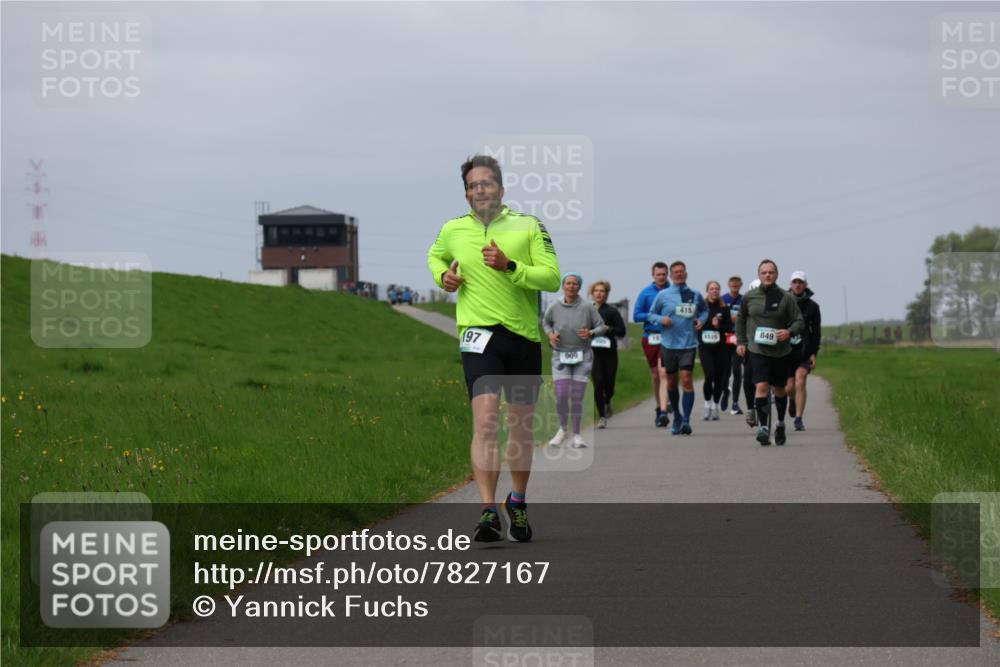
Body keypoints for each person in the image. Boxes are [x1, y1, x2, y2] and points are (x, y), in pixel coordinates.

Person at [427, 154, 560, 543]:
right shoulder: (453, 229)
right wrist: (444, 276)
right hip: (478, 338)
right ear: (466, 193)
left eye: (485, 183)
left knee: (519, 428)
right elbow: (435, 256)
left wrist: (510, 266)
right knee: (485, 420)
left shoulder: (529, 226)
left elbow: (551, 277)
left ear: (501, 189)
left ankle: (516, 502)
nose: (478, 190)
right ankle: (487, 511)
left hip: (521, 337)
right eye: (471, 185)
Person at [735, 260, 804, 446]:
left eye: (771, 272)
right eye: (764, 272)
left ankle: (780, 423)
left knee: (780, 389)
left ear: (776, 275)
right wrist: (741, 341)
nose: (767, 275)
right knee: (762, 386)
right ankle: (763, 428)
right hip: (757, 349)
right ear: (759, 275)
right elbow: (741, 319)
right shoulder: (749, 297)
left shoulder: (786, 297)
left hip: (781, 351)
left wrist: (789, 332)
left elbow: (799, 321)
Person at [544, 273, 608, 447]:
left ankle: (577, 434)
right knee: (562, 394)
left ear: (579, 287)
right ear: (563, 286)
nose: (571, 286)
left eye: (575, 284)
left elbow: (602, 326)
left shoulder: (587, 307)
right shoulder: (554, 306)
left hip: (582, 356)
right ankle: (563, 429)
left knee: (578, 396)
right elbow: (546, 323)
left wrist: (591, 333)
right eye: (568, 283)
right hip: (560, 356)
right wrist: (550, 335)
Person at [647, 261, 708, 435]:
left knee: (687, 378)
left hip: (688, 343)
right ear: (671, 276)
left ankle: (687, 421)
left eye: (682, 272)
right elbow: (651, 314)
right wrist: (661, 320)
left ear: (686, 274)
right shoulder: (663, 295)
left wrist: (701, 321)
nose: (679, 275)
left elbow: (704, 311)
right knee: (672, 382)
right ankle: (677, 417)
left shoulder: (695, 294)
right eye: (676, 272)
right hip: (669, 344)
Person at [633, 262, 670, 427]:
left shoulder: (673, 291)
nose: (661, 277)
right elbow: (636, 315)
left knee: (665, 374)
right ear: (653, 275)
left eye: (664, 274)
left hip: (669, 337)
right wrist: (654, 317)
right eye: (658, 274)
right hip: (651, 337)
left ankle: (664, 409)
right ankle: (658, 405)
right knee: (656, 375)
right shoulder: (646, 293)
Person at [785, 271, 821, 431]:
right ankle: (791, 400)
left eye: (800, 282)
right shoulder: (783, 303)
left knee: (801, 379)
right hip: (786, 351)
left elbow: (816, 332)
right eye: (795, 282)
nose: (797, 285)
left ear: (806, 285)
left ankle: (798, 419)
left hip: (804, 351)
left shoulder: (813, 307)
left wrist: (814, 353)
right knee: (789, 387)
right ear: (790, 285)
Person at [589, 280, 627, 429]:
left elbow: (622, 331)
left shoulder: (612, 311)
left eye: (602, 291)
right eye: (596, 291)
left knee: (609, 385)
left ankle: (607, 400)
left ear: (606, 294)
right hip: (593, 353)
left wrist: (608, 329)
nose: (599, 293)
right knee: (598, 383)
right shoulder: (586, 310)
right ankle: (602, 416)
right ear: (592, 294)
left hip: (609, 352)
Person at [698, 281, 733, 421]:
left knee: (719, 378)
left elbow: (729, 327)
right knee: (709, 375)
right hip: (705, 346)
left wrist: (719, 326)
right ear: (707, 291)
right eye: (712, 289)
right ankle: (707, 404)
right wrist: (701, 325)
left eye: (717, 289)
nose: (714, 291)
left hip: (721, 347)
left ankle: (715, 405)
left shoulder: (724, 308)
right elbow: (696, 324)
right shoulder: (701, 306)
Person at [721, 275, 744, 415]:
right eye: (732, 283)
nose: (735, 285)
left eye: (737, 283)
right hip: (724, 339)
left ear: (741, 285)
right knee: (725, 372)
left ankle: (735, 402)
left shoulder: (744, 300)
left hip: (738, 339)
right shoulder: (723, 300)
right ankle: (725, 392)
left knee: (737, 370)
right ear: (728, 284)